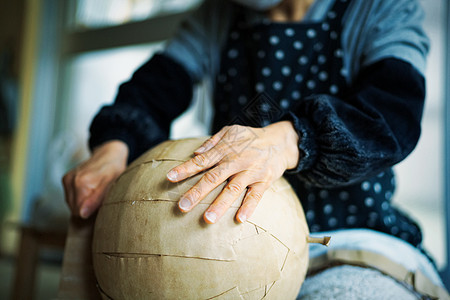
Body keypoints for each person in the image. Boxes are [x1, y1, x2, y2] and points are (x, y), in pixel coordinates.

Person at [63, 0, 449, 297]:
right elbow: (151, 91)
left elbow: (393, 112)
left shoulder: (380, 8)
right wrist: (114, 147)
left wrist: (290, 139)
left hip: (347, 239)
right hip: (228, 246)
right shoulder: (219, 15)